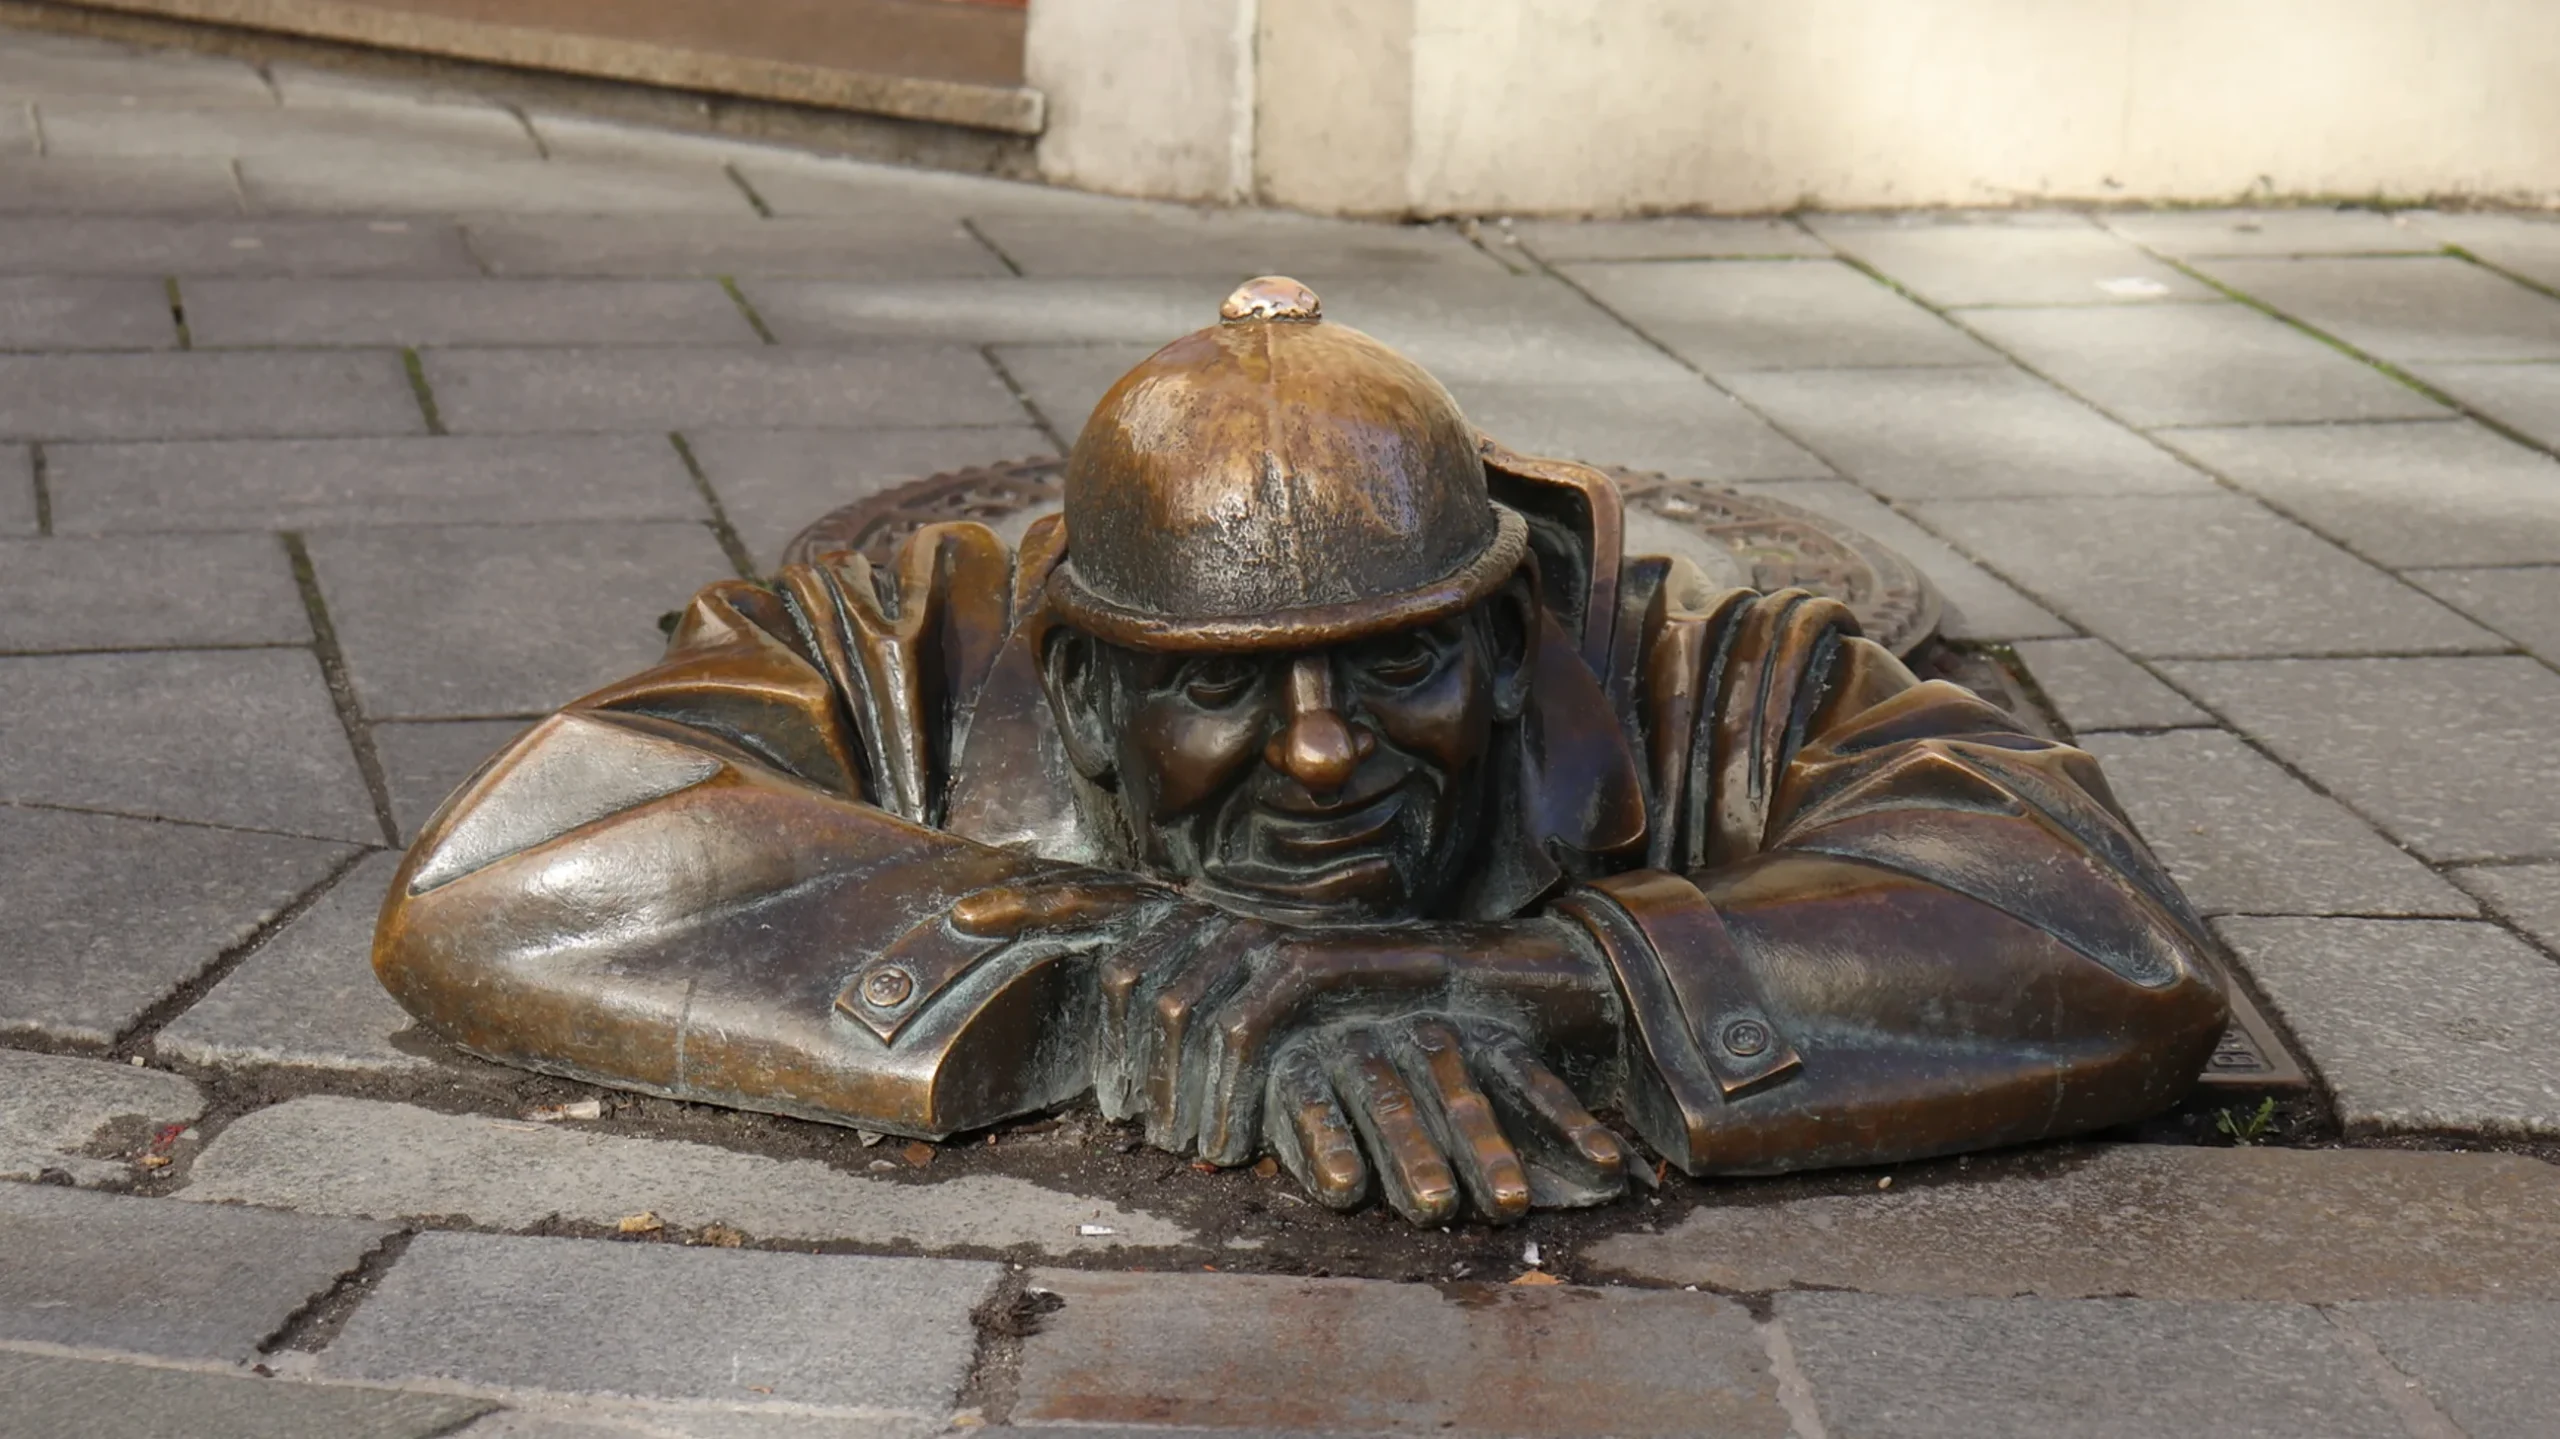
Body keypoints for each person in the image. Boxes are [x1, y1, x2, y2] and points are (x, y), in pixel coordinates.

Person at [375, 277, 2227, 1224]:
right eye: (1220, 689)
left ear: (1505, 641)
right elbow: (508, 868)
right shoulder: (906, 648)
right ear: (1085, 685)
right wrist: (1106, 952)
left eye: (1403, 660)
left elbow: (2098, 925)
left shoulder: (1693, 669)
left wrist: (1537, 979)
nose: (1327, 754)